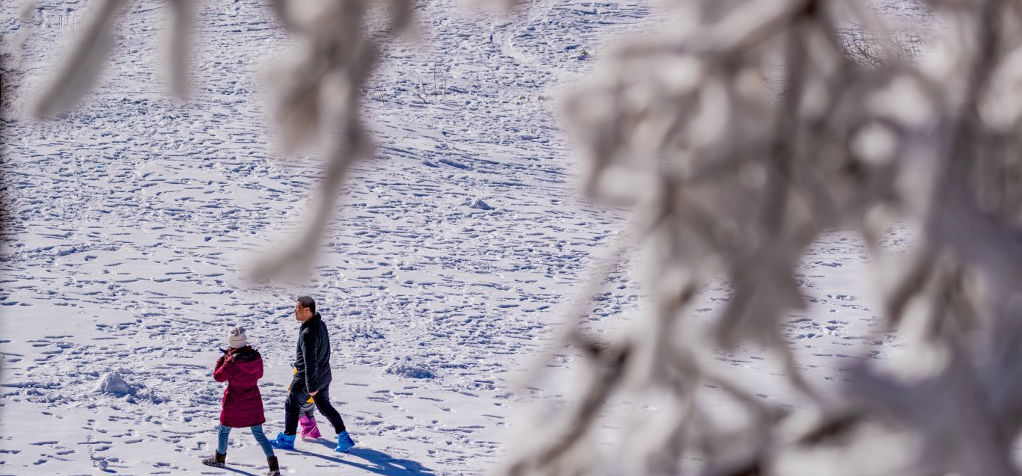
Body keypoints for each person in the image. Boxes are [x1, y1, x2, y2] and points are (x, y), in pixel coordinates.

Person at [271, 296, 356, 452]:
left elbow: (310, 361)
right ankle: (344, 437)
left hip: (307, 377)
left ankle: (288, 439)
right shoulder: (320, 324)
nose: (294, 311)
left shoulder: (308, 332)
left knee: (291, 405)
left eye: (297, 308)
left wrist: (311, 386)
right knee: (324, 407)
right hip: (324, 375)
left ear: (307, 309)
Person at [202, 327, 280, 476]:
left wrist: (222, 360)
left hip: (234, 402)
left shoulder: (232, 362)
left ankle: (220, 459)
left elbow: (218, 377)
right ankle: (274, 467)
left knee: (224, 430)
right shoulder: (256, 356)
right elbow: (260, 374)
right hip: (253, 401)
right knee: (259, 434)